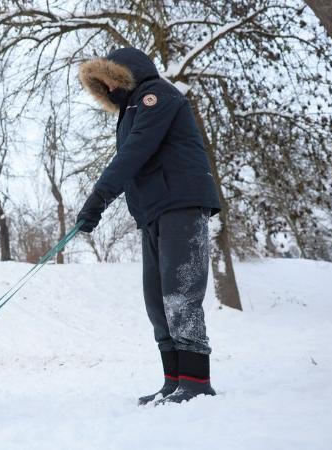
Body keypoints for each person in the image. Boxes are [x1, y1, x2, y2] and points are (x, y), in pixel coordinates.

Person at [76, 48, 221, 405]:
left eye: (108, 78)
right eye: (101, 85)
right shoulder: (129, 110)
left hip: (181, 204)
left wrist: (98, 198)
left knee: (180, 294)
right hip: (153, 213)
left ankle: (195, 381)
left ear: (125, 72)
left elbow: (134, 153)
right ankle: (173, 381)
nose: (107, 88)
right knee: (157, 302)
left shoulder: (157, 95)